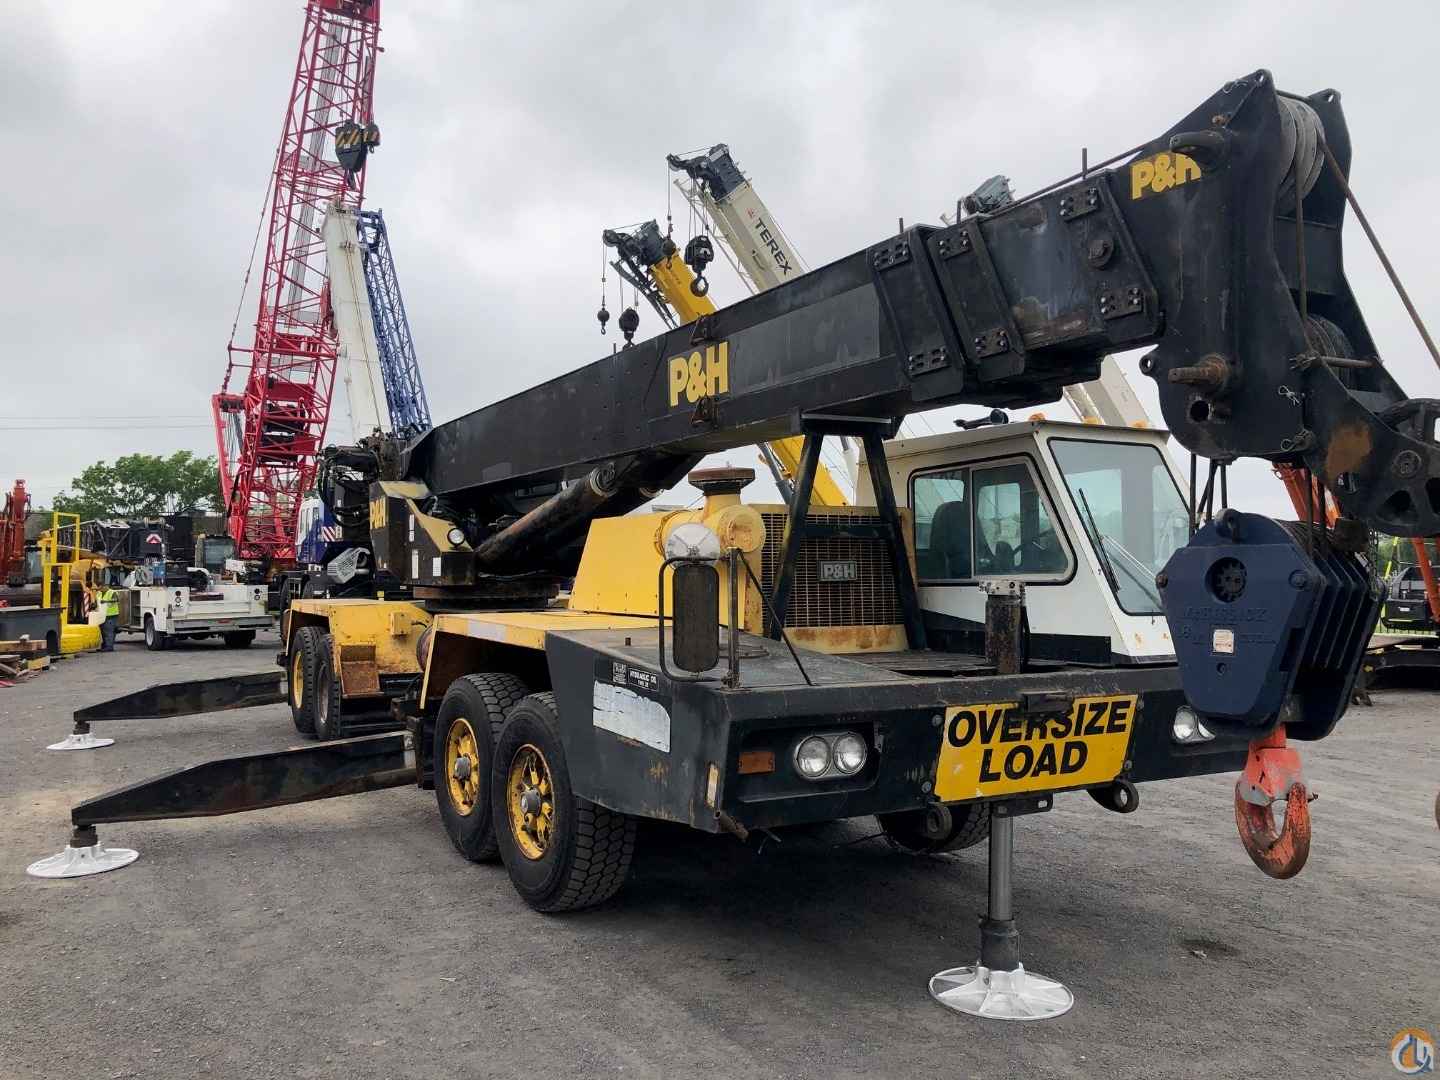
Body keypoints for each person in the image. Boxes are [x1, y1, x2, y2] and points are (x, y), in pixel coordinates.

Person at [96, 581, 121, 652]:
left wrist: (106, 601)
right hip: (102, 615)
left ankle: (109, 646)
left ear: (104, 586)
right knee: (103, 631)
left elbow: (116, 599)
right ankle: (104, 645)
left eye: (100, 588)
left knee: (109, 631)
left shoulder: (112, 592)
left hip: (111, 615)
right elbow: (97, 602)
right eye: (99, 588)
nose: (100, 590)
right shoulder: (99, 593)